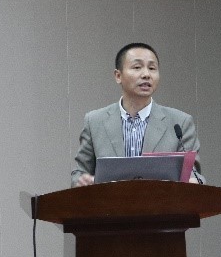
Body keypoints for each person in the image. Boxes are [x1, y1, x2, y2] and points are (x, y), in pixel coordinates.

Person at [71, 43, 204, 187]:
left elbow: (193, 173)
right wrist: (82, 181)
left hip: (162, 201)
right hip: (110, 201)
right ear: (118, 76)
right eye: (137, 67)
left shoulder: (180, 122)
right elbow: (80, 172)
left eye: (152, 68)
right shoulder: (95, 122)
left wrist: (193, 181)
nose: (146, 74)